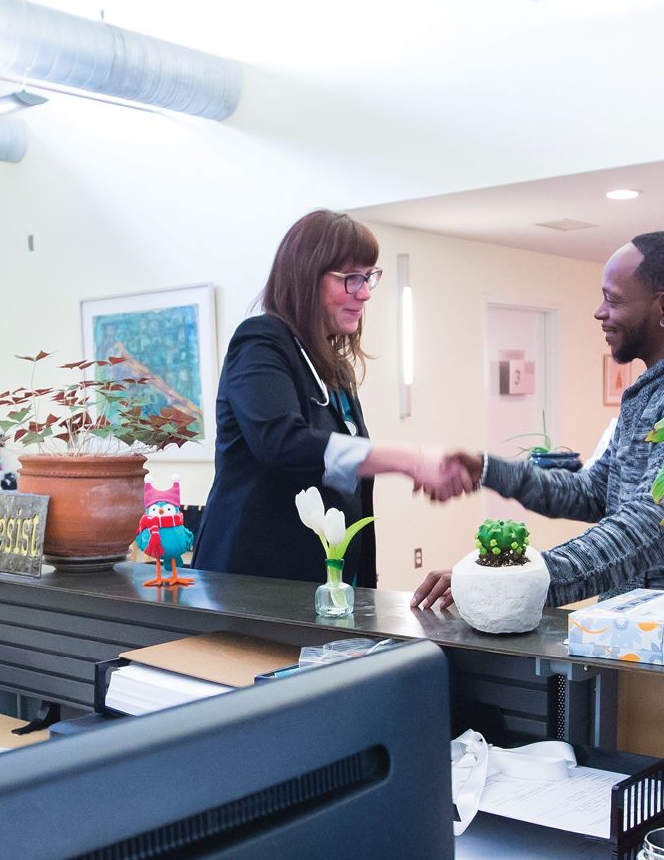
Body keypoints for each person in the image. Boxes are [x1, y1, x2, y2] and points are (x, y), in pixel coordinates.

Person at [412, 230, 664, 623]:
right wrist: (490, 470)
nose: (599, 312)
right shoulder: (657, 385)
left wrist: (516, 581)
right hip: (644, 625)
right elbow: (596, 492)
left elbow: (652, 521)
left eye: (613, 300)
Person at [195, 210, 471, 588]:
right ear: (306, 278)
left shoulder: (331, 366)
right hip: (256, 581)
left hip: (327, 580)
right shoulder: (260, 341)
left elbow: (335, 466)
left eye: (369, 276)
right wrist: (410, 459)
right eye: (350, 279)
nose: (365, 292)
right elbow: (282, 442)